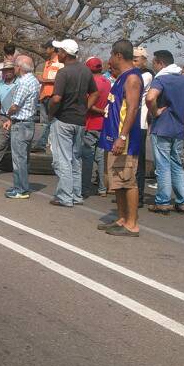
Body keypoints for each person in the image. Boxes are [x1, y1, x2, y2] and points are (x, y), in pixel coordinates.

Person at [98, 40, 144, 236]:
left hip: (124, 142)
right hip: (112, 139)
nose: (109, 59)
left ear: (118, 55)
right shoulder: (120, 77)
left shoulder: (132, 78)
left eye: (111, 54)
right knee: (117, 182)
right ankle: (122, 218)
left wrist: (122, 136)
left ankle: (132, 224)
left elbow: (132, 108)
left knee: (127, 181)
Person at [47, 39, 97, 207]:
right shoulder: (86, 70)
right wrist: (85, 108)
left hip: (64, 119)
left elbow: (56, 98)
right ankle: (76, 195)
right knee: (75, 159)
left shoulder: (64, 72)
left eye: (59, 50)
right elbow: (94, 93)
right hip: (80, 121)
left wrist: (50, 112)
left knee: (63, 160)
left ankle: (65, 197)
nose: (57, 53)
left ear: (65, 53)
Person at [145, 50, 184, 215]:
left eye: (154, 62)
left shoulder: (161, 79)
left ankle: (163, 201)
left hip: (163, 126)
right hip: (179, 127)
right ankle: (182, 201)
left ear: (160, 63)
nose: (153, 65)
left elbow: (150, 98)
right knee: (177, 164)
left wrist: (155, 111)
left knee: (163, 165)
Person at [4, 56, 41, 199]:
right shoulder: (34, 80)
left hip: (21, 123)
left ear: (19, 67)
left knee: (18, 159)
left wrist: (8, 115)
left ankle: (20, 189)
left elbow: (15, 105)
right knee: (24, 158)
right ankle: (22, 186)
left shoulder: (24, 82)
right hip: (29, 121)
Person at [82, 56, 111, 198]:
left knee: (87, 157)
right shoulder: (108, 82)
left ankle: (84, 188)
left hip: (91, 123)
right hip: (103, 124)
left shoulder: (91, 83)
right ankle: (102, 188)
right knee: (100, 157)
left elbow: (88, 105)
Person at [32, 42, 63, 152]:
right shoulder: (47, 63)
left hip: (52, 96)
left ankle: (42, 143)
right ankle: (45, 143)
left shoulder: (60, 63)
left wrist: (44, 80)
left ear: (52, 49)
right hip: (44, 96)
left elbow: (61, 80)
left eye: (47, 48)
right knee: (45, 123)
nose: (45, 50)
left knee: (51, 121)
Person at [133, 46, 153, 204]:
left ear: (144, 60)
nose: (133, 62)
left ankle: (138, 195)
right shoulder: (136, 74)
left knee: (139, 161)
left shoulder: (146, 75)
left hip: (140, 121)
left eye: (136, 60)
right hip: (132, 120)